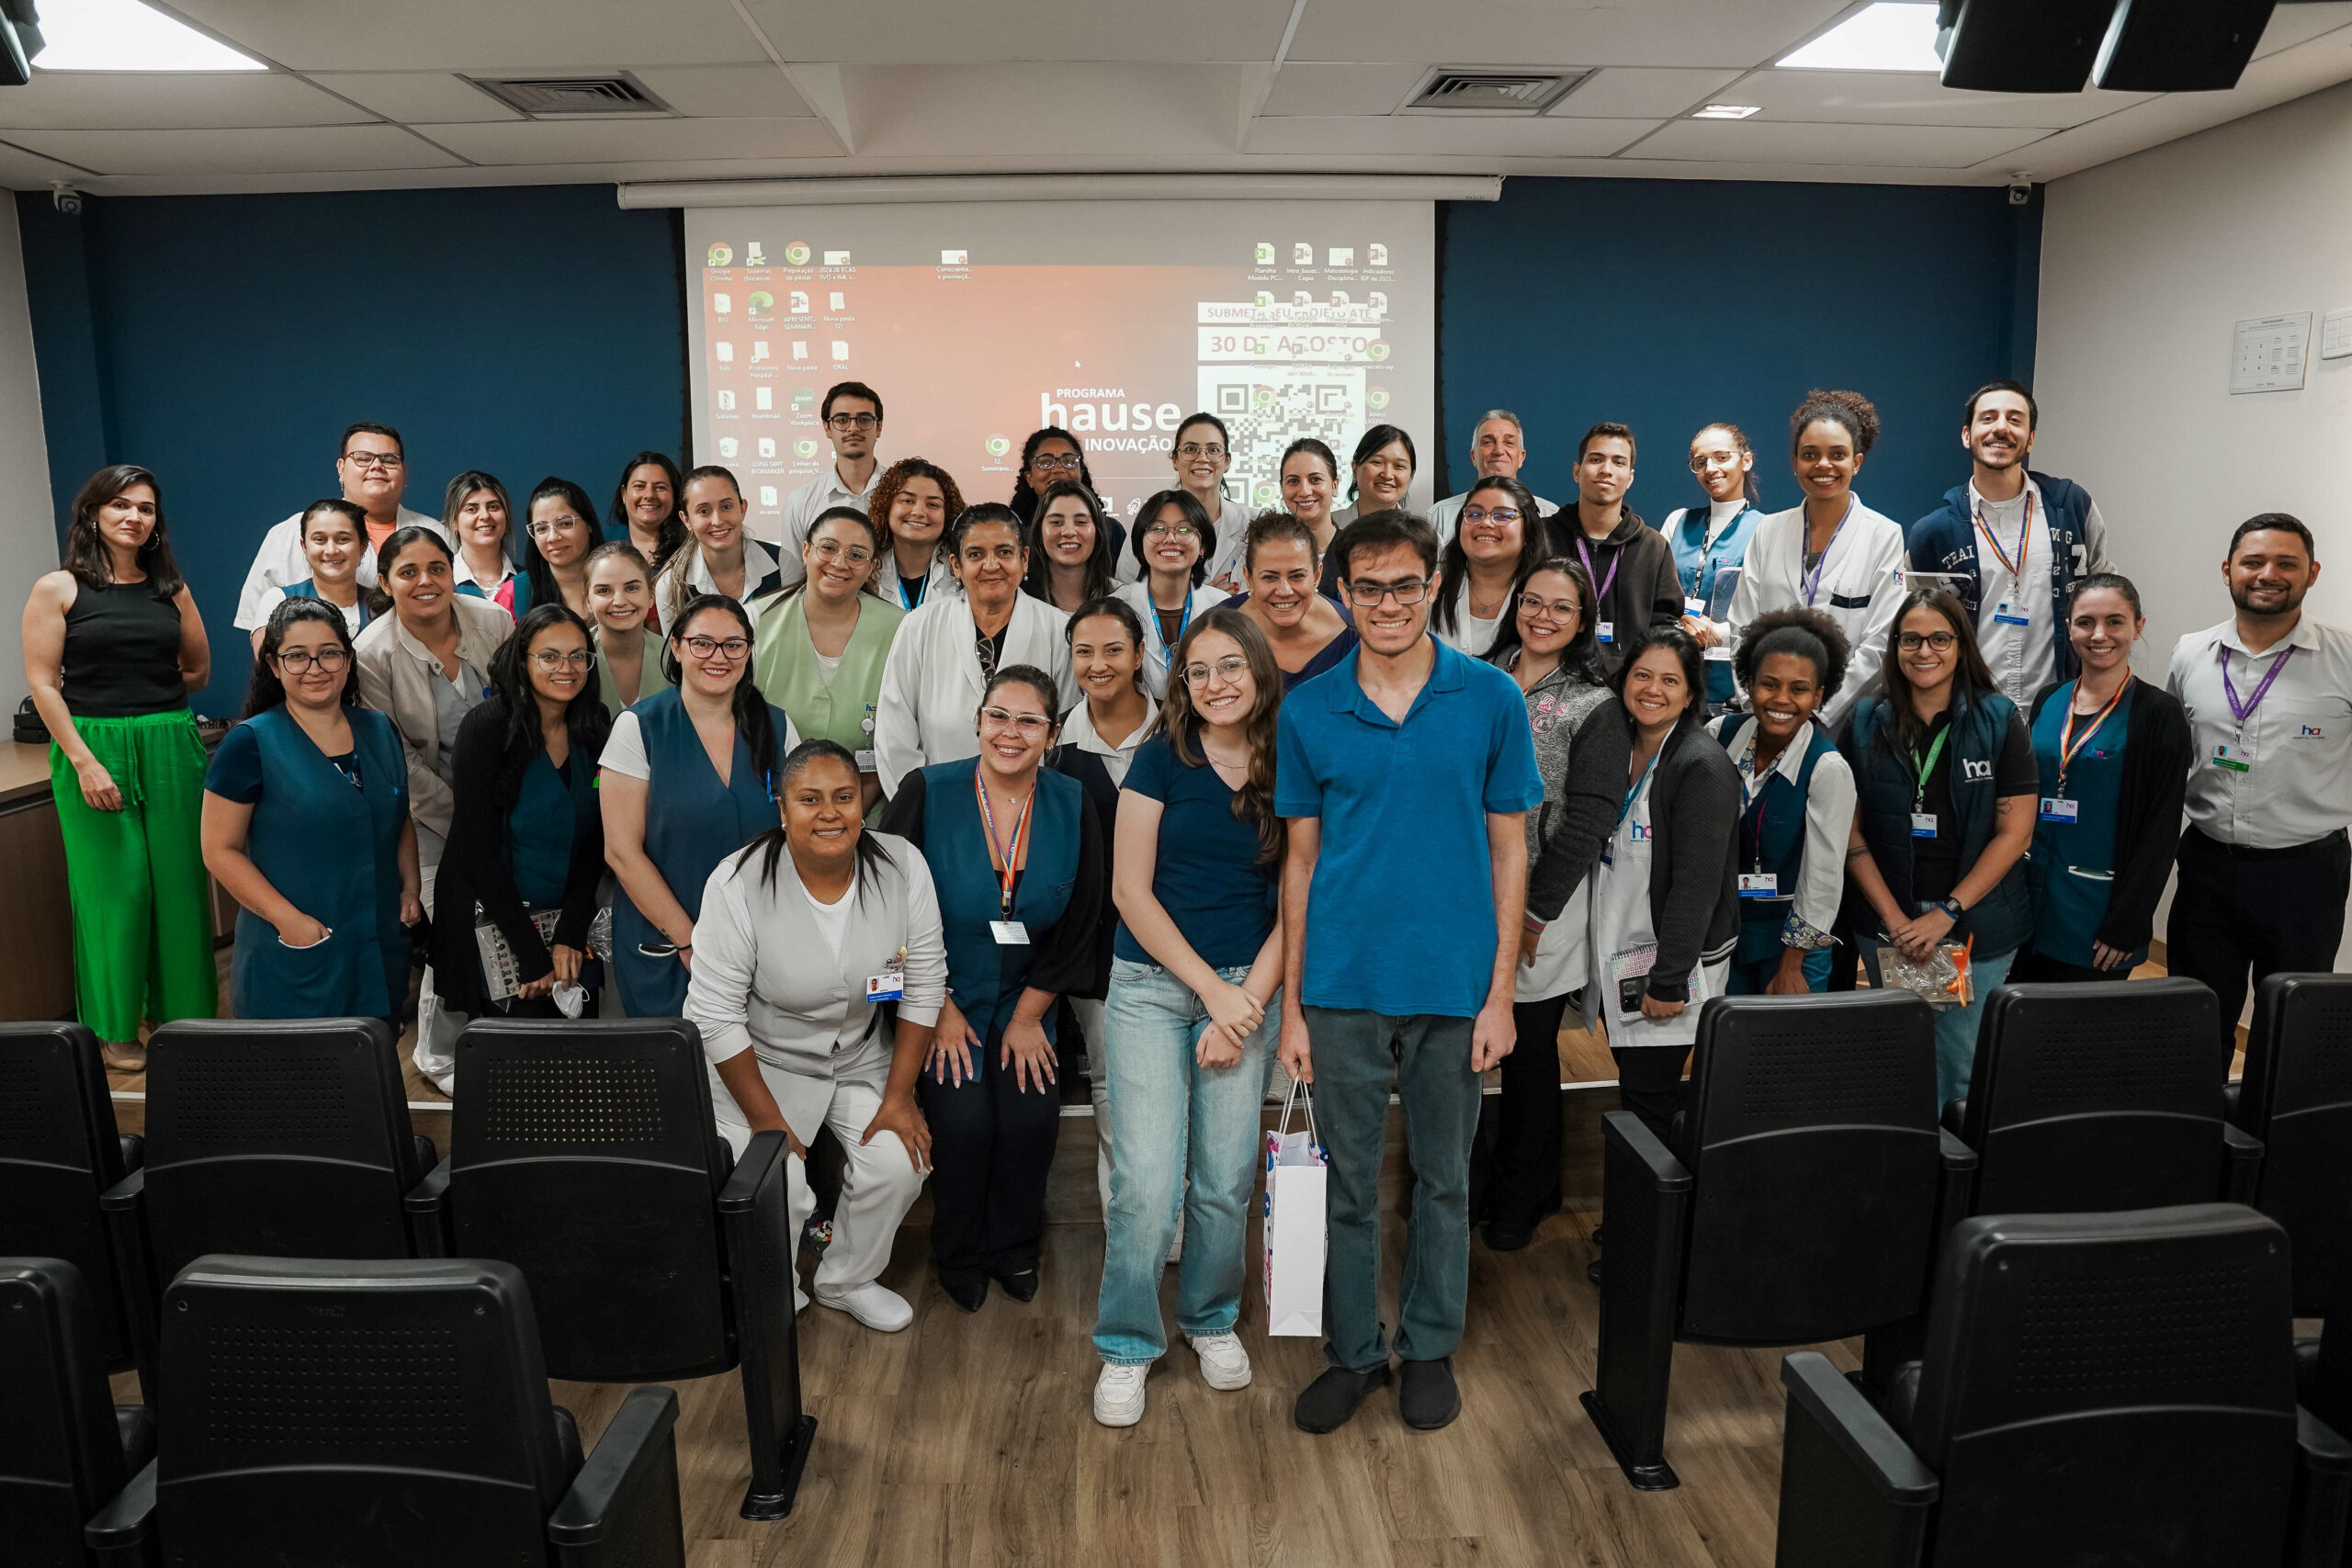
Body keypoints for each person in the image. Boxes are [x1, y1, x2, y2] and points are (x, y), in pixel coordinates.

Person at [1274, 511, 1544, 1436]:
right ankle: (1354, 1352)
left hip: (1454, 983)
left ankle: (1426, 1345)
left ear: (1433, 583)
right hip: (1342, 984)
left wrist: (1500, 992)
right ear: (1340, 596)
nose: (1385, 603)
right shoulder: (1308, 709)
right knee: (1348, 1185)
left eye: (1402, 584)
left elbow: (1510, 851)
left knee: (1443, 1179)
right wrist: (1295, 1010)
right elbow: (1300, 863)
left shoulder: (1490, 698)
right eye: (1366, 587)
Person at [1091, 609, 1285, 1427]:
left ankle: (1209, 1319)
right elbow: (1129, 891)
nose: (1215, 683)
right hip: (1150, 986)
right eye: (1199, 669)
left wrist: (1243, 1006)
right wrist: (1212, 992)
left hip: (1251, 989)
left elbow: (1299, 899)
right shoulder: (1160, 759)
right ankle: (1128, 1342)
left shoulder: (1289, 760)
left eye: (1231, 666)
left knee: (1224, 1176)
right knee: (1143, 1182)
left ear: (1259, 671)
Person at [686, 739, 944, 1331]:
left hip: (857, 1056)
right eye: (810, 799)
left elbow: (924, 983)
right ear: (783, 810)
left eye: (844, 797)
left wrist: (900, 1096)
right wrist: (769, 1122)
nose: (830, 813)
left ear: (863, 803)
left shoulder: (903, 866)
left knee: (900, 1161)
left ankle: (846, 1278)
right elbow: (715, 1016)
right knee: (780, 1186)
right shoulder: (737, 882)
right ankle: (775, 1291)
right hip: (757, 1063)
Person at [880, 665, 1105, 1312]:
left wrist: (1033, 1012)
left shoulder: (1072, 801)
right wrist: (935, 1009)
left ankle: (1014, 1248)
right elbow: (884, 907)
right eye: (998, 716)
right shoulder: (928, 789)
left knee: (1032, 1118)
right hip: (939, 993)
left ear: (1052, 732)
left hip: (1028, 996)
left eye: (1028, 719)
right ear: (978, 721)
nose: (1011, 732)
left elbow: (1085, 912)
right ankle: (960, 1251)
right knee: (964, 1121)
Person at [21, 465, 217, 1066]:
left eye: (147, 508)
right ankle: (113, 1027)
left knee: (181, 888)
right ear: (94, 514)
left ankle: (181, 1019)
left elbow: (199, 670)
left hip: (169, 740)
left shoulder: (171, 589)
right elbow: (42, 683)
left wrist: (149, 694)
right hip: (92, 747)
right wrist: (85, 760)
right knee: (118, 891)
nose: (135, 516)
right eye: (121, 505)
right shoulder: (58, 588)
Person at [1843, 591, 2037, 1107]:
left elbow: (2015, 833)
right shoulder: (1864, 720)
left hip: (1977, 921)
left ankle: (1949, 1176)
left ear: (1960, 645)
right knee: (1896, 1051)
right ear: (1895, 646)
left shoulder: (1999, 719)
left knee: (1957, 1063)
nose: (1924, 650)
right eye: (1911, 639)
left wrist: (1946, 914)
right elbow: (1849, 830)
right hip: (1889, 919)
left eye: (1939, 639)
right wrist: (1894, 918)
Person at [2165, 515, 2350, 1048]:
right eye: (2253, 562)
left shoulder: (2345, 657)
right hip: (2207, 868)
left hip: (2305, 875)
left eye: (2286, 563)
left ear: (2312, 573)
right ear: (2228, 571)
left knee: (2291, 1023)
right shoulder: (2190, 653)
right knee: (2194, 1016)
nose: (2268, 574)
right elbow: (2178, 751)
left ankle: (2272, 1133)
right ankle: (2196, 1128)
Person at [1478, 558, 1618, 1252]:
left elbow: (1589, 819)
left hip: (1542, 906)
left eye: (1561, 608)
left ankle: (1527, 1195)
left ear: (1582, 620)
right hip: (1468, 891)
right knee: (1471, 1050)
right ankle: (1479, 1183)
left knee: (1528, 1054)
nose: (1542, 616)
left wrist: (1533, 913)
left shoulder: (1596, 702)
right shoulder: (1480, 673)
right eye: (1532, 601)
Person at [201, 599, 420, 1023]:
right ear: (274, 664)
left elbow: (399, 817)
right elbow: (219, 851)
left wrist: (410, 888)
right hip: (297, 954)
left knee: (371, 1072)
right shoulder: (249, 743)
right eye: (297, 656)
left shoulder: (379, 729)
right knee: (298, 1082)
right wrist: (289, 922)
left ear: (348, 658)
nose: (315, 667)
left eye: (329, 653)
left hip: (375, 948)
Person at [424, 606, 611, 1087]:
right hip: (493, 920)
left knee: (575, 1069)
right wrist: (530, 951)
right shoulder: (487, 726)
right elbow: (475, 847)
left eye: (577, 657)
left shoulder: (594, 725)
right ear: (521, 660)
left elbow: (596, 840)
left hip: (565, 916)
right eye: (549, 656)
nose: (565, 668)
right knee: (512, 1076)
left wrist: (569, 932)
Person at [353, 525, 515, 1075]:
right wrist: (470, 824)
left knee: (515, 913)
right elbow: (398, 756)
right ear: (384, 581)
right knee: (452, 923)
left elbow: (525, 713)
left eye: (437, 569)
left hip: (509, 804)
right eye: (408, 572)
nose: (426, 582)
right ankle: (440, 1055)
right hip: (428, 814)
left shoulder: (492, 621)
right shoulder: (371, 653)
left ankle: (512, 1039)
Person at [599, 594, 799, 1019]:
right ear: (676, 646)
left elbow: (797, 835)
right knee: (676, 1074)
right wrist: (692, 942)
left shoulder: (777, 726)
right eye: (702, 643)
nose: (719, 657)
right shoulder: (640, 728)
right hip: (669, 946)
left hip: (760, 947)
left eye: (733, 644)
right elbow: (621, 852)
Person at [1577, 627, 1740, 1144]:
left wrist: (1669, 980)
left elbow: (1697, 885)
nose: (1653, 689)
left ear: (1691, 693)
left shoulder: (1701, 765)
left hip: (1669, 969)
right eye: (1643, 675)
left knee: (1649, 1100)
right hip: (1623, 954)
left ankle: (1649, 1221)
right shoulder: (1619, 746)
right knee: (1637, 1091)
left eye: (1670, 680)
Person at [2012, 574, 2190, 983]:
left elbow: (2160, 831)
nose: (2099, 635)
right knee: (2019, 1027)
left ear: (2138, 627)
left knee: (2079, 1037)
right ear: (2069, 626)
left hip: (2097, 913)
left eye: (2115, 621)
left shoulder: (2158, 715)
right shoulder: (2049, 699)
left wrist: (2129, 921)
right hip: (2030, 901)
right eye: (2085, 622)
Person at [1907, 380, 2115, 712]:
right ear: (1966, 435)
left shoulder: (2073, 508)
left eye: (2015, 419)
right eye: (1988, 418)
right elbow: (1911, 628)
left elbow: (2108, 597)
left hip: (2060, 707)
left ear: (2030, 439)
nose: (2001, 428)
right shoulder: (1934, 532)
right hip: (1970, 710)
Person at [1050, 597, 1155, 1217]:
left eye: (1113, 649)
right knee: (1114, 1084)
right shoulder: (1054, 743)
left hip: (1177, 942)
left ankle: (1175, 1214)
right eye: (1084, 651)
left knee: (1180, 1087)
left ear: (1140, 654)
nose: (1099, 663)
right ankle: (1131, 1225)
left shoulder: (1182, 730)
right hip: (1094, 949)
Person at [1726, 390, 1910, 733]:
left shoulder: (1883, 536)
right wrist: (1760, 705)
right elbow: (1741, 628)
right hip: (1766, 716)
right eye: (1810, 455)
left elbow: (1880, 642)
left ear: (1856, 462)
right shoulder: (1769, 530)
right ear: (1795, 462)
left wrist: (1818, 710)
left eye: (1837, 455)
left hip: (1842, 721)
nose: (1823, 465)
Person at [872, 503, 1075, 798]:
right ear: (956, 565)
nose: (991, 565)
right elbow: (894, 735)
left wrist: (1042, 805)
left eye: (1004, 552)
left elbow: (1064, 735)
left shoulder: (1058, 630)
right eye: (975, 554)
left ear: (1025, 558)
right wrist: (921, 807)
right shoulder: (919, 627)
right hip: (937, 809)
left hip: (1031, 808)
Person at [1709, 608, 1856, 995]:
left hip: (1792, 946)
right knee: (1723, 1046)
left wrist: (1792, 964)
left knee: (1781, 1053)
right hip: (1724, 933)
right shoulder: (1718, 735)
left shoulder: (1827, 768)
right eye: (1769, 685)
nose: (1781, 700)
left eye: (1799, 689)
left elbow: (1823, 876)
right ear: (1749, 683)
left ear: (1819, 695)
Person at [751, 505, 905, 803]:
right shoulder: (756, 622)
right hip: (770, 804)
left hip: (869, 807)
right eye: (828, 548)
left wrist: (852, 813)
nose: (839, 562)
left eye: (856, 554)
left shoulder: (900, 629)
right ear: (806, 551)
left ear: (872, 566)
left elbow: (903, 739)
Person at [233, 422, 445, 633]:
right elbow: (259, 626)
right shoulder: (289, 533)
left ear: (404, 472)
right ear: (341, 468)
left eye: (389, 460)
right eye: (363, 458)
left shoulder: (436, 533)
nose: (377, 466)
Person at [1545, 422, 1680, 675]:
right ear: (1577, 471)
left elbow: (1664, 627)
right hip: (1553, 682)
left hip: (1627, 689)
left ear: (1629, 477)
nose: (1606, 470)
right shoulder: (1543, 536)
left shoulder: (1653, 546)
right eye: (1596, 459)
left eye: (1618, 462)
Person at [1657, 423, 1766, 712]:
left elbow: (1770, 613)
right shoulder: (1677, 521)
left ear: (1746, 460)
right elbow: (1653, 593)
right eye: (1700, 462)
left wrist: (1717, 633)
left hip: (1731, 682)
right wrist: (1681, 620)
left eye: (1721, 457)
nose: (1710, 468)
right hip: (1671, 671)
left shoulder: (1767, 530)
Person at [1224, 512, 1357, 692]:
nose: (1284, 591)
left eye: (1297, 576)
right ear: (1248, 578)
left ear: (1317, 575)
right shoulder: (1215, 628)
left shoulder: (1354, 636)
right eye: (1270, 577)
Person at [1115, 490, 1226, 700]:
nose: (1170, 538)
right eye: (1157, 529)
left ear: (1202, 544)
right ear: (1140, 542)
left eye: (1185, 529)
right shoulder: (1115, 608)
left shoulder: (1223, 607)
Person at [652, 466, 785, 631]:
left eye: (726, 507)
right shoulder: (670, 584)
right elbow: (676, 654)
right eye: (704, 511)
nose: (717, 520)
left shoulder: (783, 564)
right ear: (686, 520)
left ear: (742, 508)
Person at [776, 381, 884, 580]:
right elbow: (793, 577)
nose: (853, 428)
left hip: (893, 608)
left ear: (878, 428)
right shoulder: (801, 500)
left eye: (864, 419)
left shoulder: (901, 495)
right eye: (842, 420)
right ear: (827, 428)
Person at [1430, 476, 1546, 657]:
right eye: (1474, 514)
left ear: (1528, 527)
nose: (1485, 523)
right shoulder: (1430, 582)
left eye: (1502, 516)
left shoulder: (1549, 591)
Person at [244, 497, 373, 651]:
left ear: (363, 545)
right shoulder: (277, 601)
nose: (331, 550)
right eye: (319, 539)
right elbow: (267, 671)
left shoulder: (384, 606)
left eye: (343, 539)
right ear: (304, 546)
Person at [1426, 411, 1558, 547]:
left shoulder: (1550, 514)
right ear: (1473, 457)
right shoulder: (1439, 516)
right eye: (1488, 442)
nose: (1499, 450)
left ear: (1521, 457)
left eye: (1509, 442)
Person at [582, 541, 671, 716]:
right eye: (604, 591)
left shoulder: (676, 658)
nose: (620, 601)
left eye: (632, 588)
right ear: (588, 602)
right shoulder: (576, 661)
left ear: (651, 596)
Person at [1167, 412, 1253, 586]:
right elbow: (1129, 595)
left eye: (1213, 450)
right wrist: (1202, 599)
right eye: (1190, 449)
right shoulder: (1150, 525)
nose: (1202, 458)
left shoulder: (1255, 523)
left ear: (1227, 461)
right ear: (1175, 459)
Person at [869, 456, 964, 613]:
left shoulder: (963, 571)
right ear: (887, 506)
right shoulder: (865, 570)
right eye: (907, 500)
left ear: (948, 515)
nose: (919, 512)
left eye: (932, 504)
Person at [1023, 478, 1121, 614]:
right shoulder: (1018, 600)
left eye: (1080, 522)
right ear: (1040, 532)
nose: (1069, 532)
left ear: (1097, 532)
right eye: (1056, 522)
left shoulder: (1122, 597)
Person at [445, 470, 525, 615]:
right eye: (471, 509)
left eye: (493, 507)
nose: (485, 516)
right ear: (454, 522)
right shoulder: (442, 582)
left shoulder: (527, 582)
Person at [521, 477, 599, 622]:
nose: (553, 537)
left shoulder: (622, 580)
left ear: (589, 524)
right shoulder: (516, 593)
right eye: (542, 528)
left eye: (565, 524)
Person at [605, 449, 689, 576]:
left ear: (675, 494)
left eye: (660, 487)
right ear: (624, 494)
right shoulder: (605, 551)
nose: (649, 495)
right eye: (639, 486)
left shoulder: (691, 548)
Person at [1279, 437, 1342, 572]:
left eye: (1315, 480)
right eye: (1293, 481)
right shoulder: (1266, 553)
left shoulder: (1358, 553)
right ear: (1282, 488)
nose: (1304, 491)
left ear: (1334, 485)